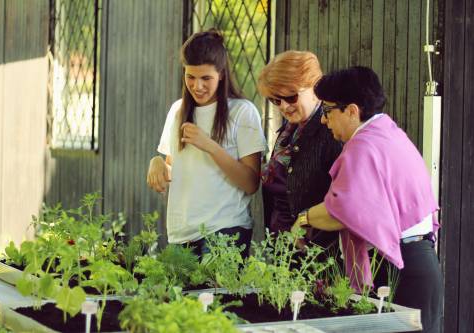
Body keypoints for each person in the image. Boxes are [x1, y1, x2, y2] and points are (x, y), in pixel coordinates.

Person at [293, 66, 442, 332]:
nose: (324, 121)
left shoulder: (364, 147)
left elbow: (341, 210)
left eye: (327, 112)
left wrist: (304, 218)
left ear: (351, 110)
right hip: (420, 260)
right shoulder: (389, 133)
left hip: (399, 267)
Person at [146, 29, 267, 257]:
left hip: (225, 231)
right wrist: (158, 164)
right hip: (182, 233)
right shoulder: (177, 111)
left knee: (216, 294)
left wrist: (209, 145)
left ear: (221, 74)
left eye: (206, 78)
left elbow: (251, 183)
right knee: (178, 294)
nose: (197, 86)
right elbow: (176, 169)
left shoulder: (242, 112)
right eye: (190, 77)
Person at [257, 50, 342, 250]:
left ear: (315, 87)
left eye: (291, 97)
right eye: (275, 100)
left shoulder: (331, 129)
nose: (284, 106)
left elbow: (341, 199)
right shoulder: (290, 128)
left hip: (314, 251)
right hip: (282, 245)